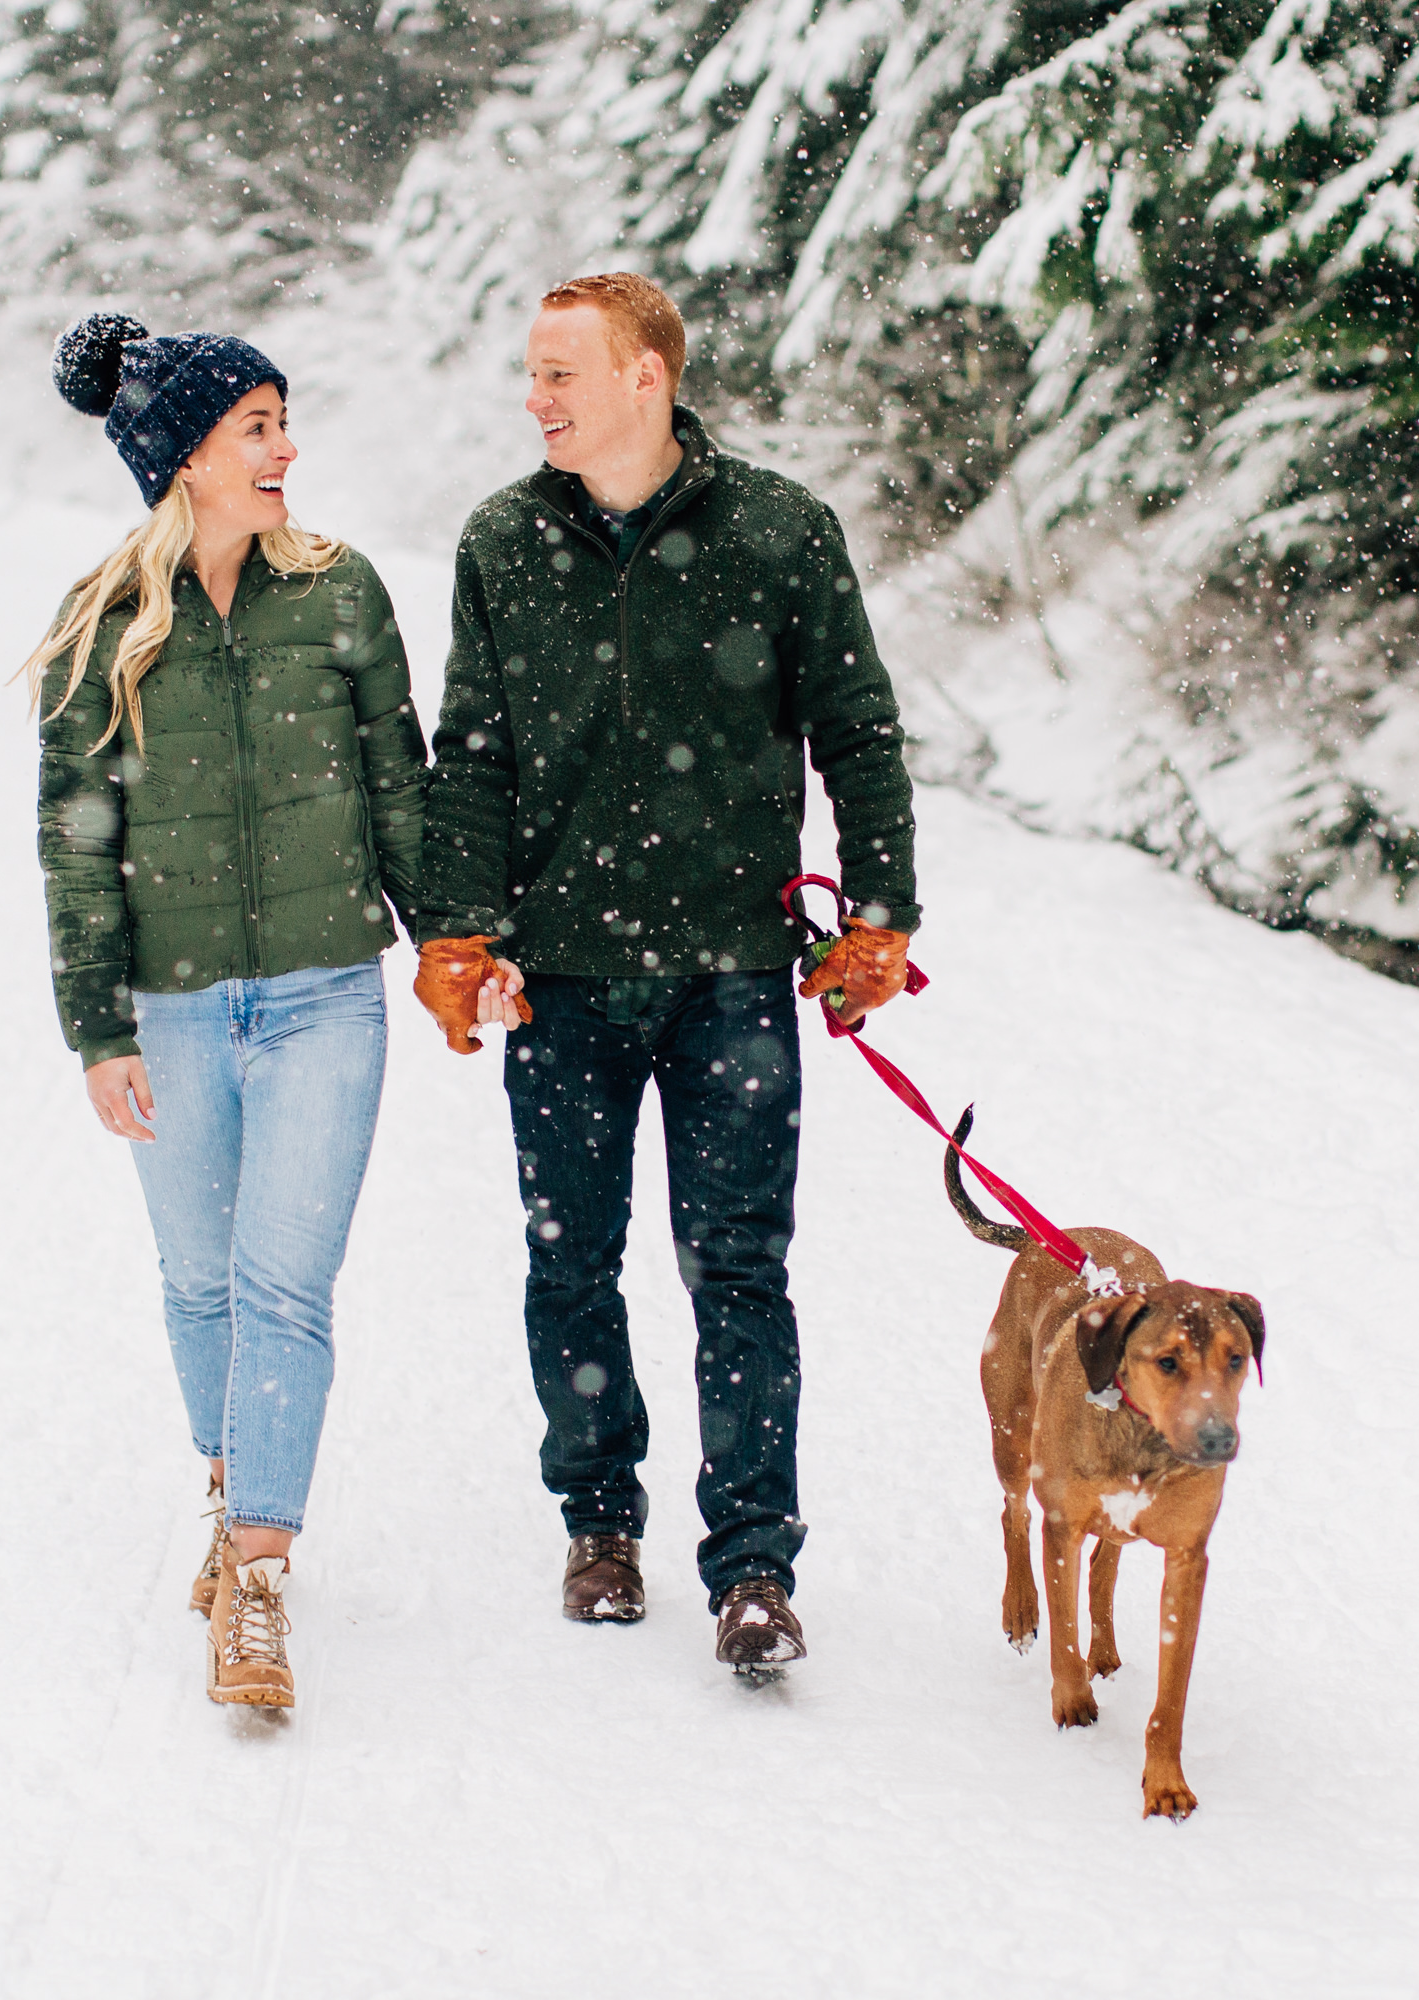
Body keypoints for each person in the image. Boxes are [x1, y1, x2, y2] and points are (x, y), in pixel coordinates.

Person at [409, 273, 921, 1669]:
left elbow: (858, 733)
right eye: (532, 373)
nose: (538, 397)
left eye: (563, 372)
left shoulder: (777, 532)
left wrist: (880, 913)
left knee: (739, 1268)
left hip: (732, 973)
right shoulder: (504, 541)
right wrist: (459, 929)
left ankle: (754, 1562)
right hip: (561, 976)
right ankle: (599, 1520)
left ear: (649, 376)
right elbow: (476, 754)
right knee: (572, 1259)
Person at [23, 314, 427, 1710]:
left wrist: (451, 952)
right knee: (199, 1285)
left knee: (282, 1289)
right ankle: (232, 1479)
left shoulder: (342, 593)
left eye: (282, 422)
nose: (286, 450)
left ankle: (256, 1576)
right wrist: (100, 1029)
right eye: (257, 427)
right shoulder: (101, 626)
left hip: (327, 994)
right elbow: (75, 841)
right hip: (173, 1009)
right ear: (185, 457)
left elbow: (401, 791)